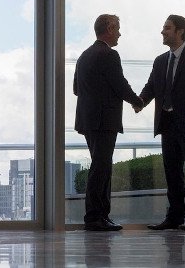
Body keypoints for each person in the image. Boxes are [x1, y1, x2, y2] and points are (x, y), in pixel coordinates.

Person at [136, 14, 185, 231]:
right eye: (163, 28)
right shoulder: (160, 61)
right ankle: (175, 218)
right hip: (167, 124)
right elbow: (151, 87)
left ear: (180, 31)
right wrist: (139, 102)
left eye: (167, 28)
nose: (163, 31)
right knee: (172, 173)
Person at [74, 14, 143, 231]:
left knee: (100, 166)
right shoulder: (109, 55)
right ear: (110, 28)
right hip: (104, 120)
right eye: (118, 28)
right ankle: (96, 217)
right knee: (101, 168)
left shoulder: (84, 55)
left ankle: (100, 216)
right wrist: (138, 101)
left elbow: (77, 89)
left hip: (88, 119)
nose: (120, 33)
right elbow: (119, 84)